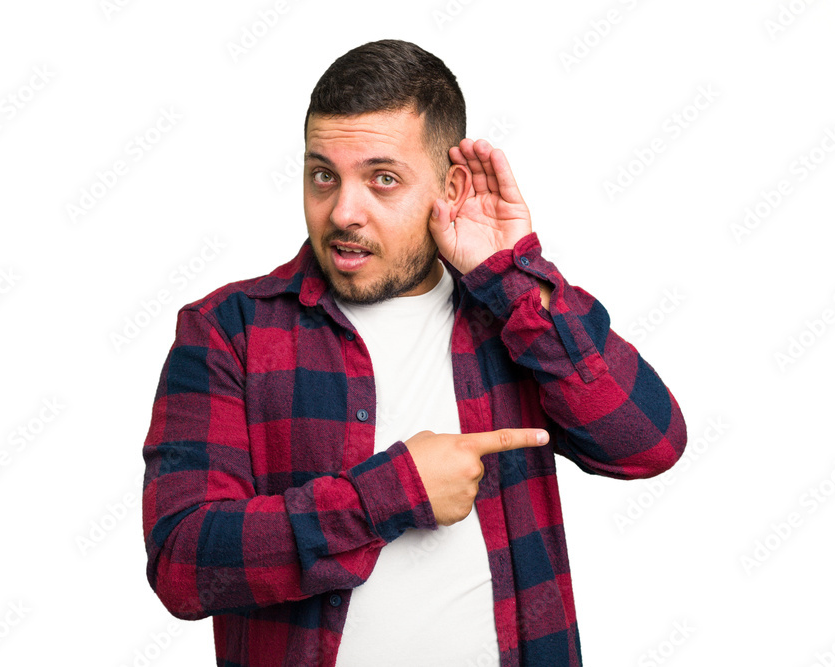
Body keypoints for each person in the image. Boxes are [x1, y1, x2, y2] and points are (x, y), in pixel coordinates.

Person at [141, 39, 687, 667]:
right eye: (323, 176)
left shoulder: (507, 321)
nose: (343, 212)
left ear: (450, 186)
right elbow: (182, 564)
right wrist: (390, 493)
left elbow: (648, 445)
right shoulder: (229, 330)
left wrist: (514, 278)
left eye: (383, 179)